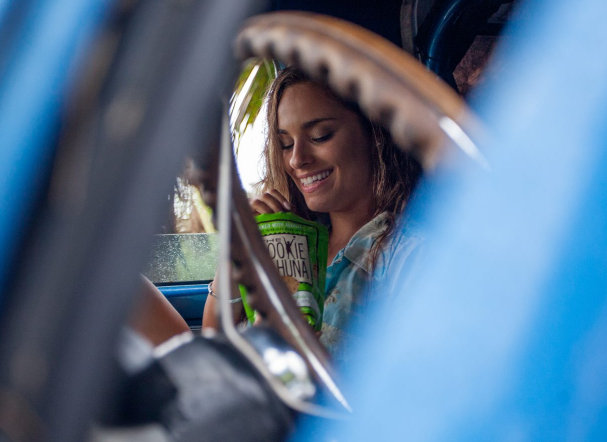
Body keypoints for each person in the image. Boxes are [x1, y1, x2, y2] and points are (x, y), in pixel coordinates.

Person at [133, 67, 423, 358]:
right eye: (285, 144)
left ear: (374, 133)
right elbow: (215, 342)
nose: (297, 159)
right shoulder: (285, 235)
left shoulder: (405, 256)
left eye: (320, 136)